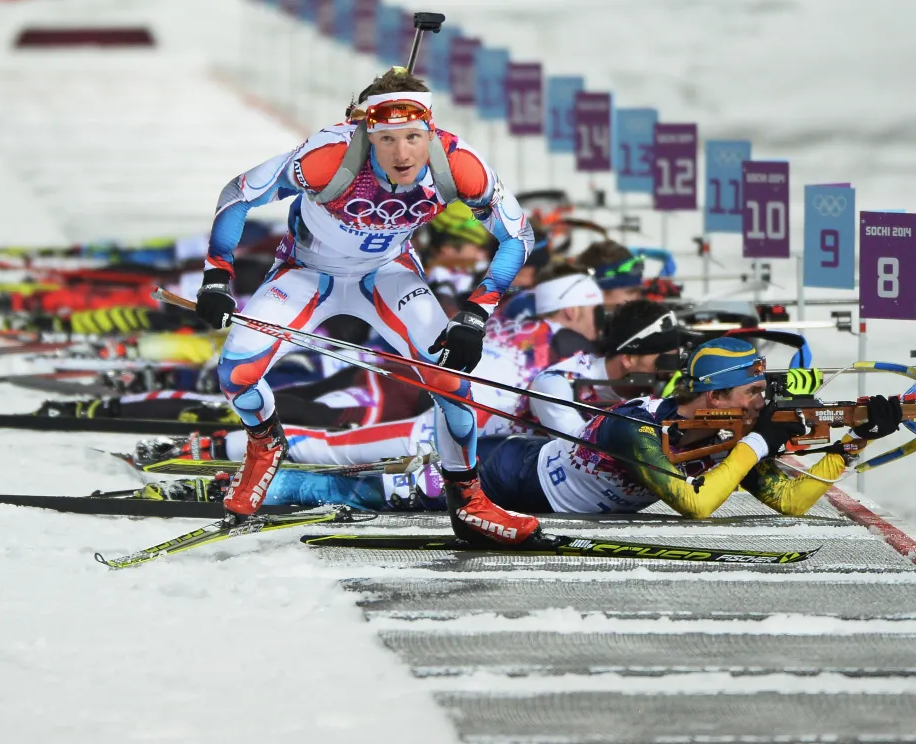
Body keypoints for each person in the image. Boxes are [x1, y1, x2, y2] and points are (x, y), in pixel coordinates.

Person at [193, 67, 541, 545]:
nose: (403, 154)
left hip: (386, 272)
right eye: (387, 139)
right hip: (306, 271)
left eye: (414, 137)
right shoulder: (329, 156)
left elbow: (517, 236)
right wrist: (217, 275)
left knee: (454, 384)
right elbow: (238, 193)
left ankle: (469, 503)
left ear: (431, 131)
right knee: (236, 374)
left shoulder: (459, 164)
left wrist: (476, 313)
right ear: (365, 133)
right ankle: (265, 444)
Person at [480, 337, 903, 516]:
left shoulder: (725, 436)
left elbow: (791, 500)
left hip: (533, 493)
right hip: (502, 474)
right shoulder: (635, 425)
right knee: (413, 496)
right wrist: (758, 442)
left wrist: (854, 440)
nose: (763, 402)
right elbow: (694, 505)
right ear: (715, 397)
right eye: (752, 391)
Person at [524, 300, 681, 437]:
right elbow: (579, 452)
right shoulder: (556, 384)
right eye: (664, 361)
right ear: (628, 359)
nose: (671, 371)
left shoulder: (655, 388)